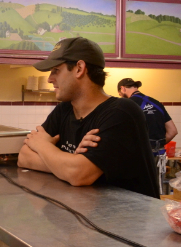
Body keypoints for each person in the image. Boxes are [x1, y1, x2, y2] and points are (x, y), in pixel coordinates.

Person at [17, 37, 159, 198]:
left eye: (56, 70)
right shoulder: (64, 109)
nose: (50, 78)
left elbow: (79, 175)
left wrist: (42, 146)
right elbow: (24, 157)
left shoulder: (122, 112)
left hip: (128, 220)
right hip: (89, 215)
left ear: (79, 68)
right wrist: (69, 163)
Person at [117, 78, 178, 151]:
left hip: (139, 155)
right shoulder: (157, 103)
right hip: (159, 154)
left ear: (122, 88)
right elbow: (173, 131)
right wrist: (156, 146)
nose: (121, 96)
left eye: (120, 94)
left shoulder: (126, 104)